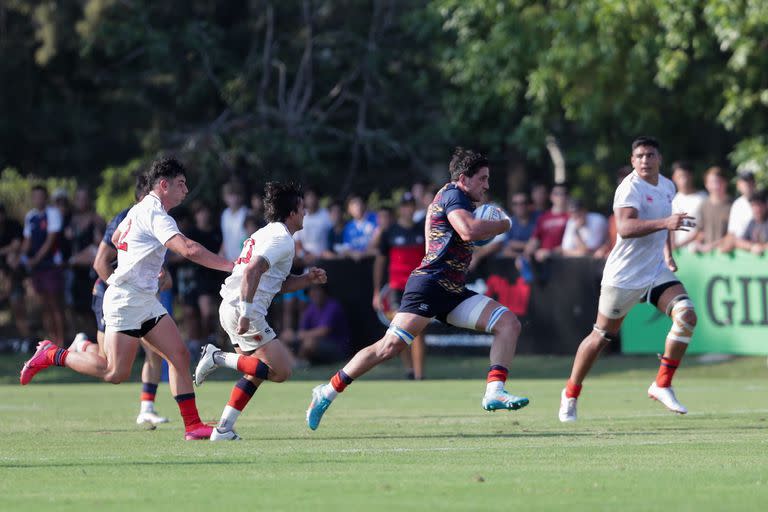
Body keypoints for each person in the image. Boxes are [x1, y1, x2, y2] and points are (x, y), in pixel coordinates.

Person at [305, 147, 529, 431]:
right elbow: (468, 231)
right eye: (482, 178)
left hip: (452, 292)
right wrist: (502, 224)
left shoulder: (463, 199)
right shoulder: (453, 195)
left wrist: (492, 225)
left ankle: (494, 390)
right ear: (464, 178)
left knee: (508, 323)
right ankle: (326, 391)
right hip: (429, 285)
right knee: (389, 347)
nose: (487, 185)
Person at [20, 157, 234, 441]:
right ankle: (52, 354)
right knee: (115, 372)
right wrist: (232, 266)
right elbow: (189, 249)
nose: (186, 189)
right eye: (181, 184)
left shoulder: (139, 209)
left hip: (143, 299)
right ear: (163, 185)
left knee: (179, 355)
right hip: (125, 300)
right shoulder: (156, 213)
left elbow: (121, 237)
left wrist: (141, 263)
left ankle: (193, 426)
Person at [558, 136, 697, 422]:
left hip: (655, 270)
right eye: (640, 156)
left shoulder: (667, 186)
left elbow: (665, 225)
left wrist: (668, 253)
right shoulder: (630, 188)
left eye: (650, 155)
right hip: (624, 275)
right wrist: (665, 224)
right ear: (633, 161)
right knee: (601, 337)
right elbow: (625, 227)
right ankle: (570, 393)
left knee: (686, 314)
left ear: (659, 159)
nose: (645, 160)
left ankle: (662, 383)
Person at [193, 182, 328, 441]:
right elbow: (254, 270)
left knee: (254, 372)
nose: (305, 214)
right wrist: (245, 312)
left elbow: (276, 284)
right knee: (281, 371)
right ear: (291, 213)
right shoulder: (281, 239)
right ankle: (216, 357)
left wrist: (307, 278)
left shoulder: (267, 233)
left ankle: (223, 429)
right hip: (244, 308)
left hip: (233, 305)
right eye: (302, 209)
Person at [69, 174, 170, 427]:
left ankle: (147, 408)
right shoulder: (126, 218)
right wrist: (123, 292)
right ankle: (79, 346)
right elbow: (100, 263)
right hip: (111, 294)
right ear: (144, 196)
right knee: (108, 365)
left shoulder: (160, 218)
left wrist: (160, 278)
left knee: (157, 351)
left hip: (140, 298)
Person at [373, 192, 427, 379]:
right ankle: (409, 370)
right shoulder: (390, 232)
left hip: (419, 287)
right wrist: (376, 292)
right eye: (405, 205)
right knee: (401, 331)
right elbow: (379, 263)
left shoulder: (423, 230)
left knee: (418, 331)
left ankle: (420, 376)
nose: (408, 209)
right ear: (400, 209)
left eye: (411, 205)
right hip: (397, 289)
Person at [21, 185, 66, 345]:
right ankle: (50, 343)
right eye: (35, 196)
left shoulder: (52, 213)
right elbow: (27, 241)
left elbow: (50, 240)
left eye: (41, 196)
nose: (38, 199)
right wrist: (22, 256)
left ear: (45, 198)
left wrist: (35, 259)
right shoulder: (30, 217)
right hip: (37, 268)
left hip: (51, 265)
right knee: (44, 305)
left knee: (55, 304)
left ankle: (61, 342)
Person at [0, 203, 31, 349]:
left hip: (13, 276)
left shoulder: (13, 226)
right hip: (3, 276)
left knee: (18, 308)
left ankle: (27, 340)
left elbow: (16, 246)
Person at [295, 283, 350, 365]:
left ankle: (299, 364)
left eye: (317, 290)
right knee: (284, 338)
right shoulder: (310, 308)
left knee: (309, 343)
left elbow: (324, 331)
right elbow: (301, 331)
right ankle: (296, 363)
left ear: (324, 291)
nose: (314, 293)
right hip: (316, 347)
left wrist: (302, 335)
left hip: (338, 348)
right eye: (311, 291)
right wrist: (295, 336)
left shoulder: (333, 305)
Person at [692, 166, 731, 253]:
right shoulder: (703, 205)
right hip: (708, 257)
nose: (716, 186)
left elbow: (733, 235)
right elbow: (700, 231)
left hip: (727, 255)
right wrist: (698, 244)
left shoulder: (733, 205)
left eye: (719, 182)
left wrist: (712, 246)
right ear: (706, 185)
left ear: (725, 183)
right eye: (712, 182)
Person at [670, 162, 705, 250]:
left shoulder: (703, 198)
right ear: (674, 178)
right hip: (677, 252)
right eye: (679, 176)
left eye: (685, 176)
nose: (683, 180)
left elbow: (705, 227)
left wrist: (681, 244)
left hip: (698, 251)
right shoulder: (671, 201)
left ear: (692, 176)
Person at [294, 187, 332, 265]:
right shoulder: (300, 215)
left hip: (325, 260)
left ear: (318, 198)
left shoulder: (327, 215)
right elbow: (297, 240)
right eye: (308, 196)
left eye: (313, 196)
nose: (311, 200)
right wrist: (304, 255)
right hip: (304, 261)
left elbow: (333, 236)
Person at [221, 180, 249, 262]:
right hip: (228, 261)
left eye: (236, 194)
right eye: (230, 195)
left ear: (241, 196)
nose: (233, 198)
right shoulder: (224, 214)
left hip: (244, 261)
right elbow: (226, 237)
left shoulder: (247, 214)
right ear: (225, 197)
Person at [733, 189, 768, 255]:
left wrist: (763, 247)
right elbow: (738, 242)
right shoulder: (752, 222)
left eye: (759, 205)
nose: (756, 209)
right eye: (753, 205)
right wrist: (752, 246)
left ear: (766, 205)